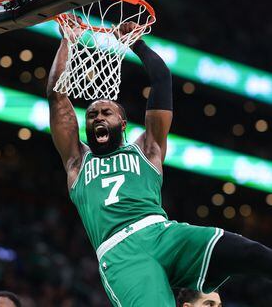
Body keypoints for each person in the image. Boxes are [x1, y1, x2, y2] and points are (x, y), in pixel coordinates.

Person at [46, 18, 272, 306]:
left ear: (123, 123)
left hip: (163, 233)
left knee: (249, 252)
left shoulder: (147, 149)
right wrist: (68, 40)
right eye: (92, 115)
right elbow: (56, 96)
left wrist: (136, 44)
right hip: (121, 254)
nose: (98, 117)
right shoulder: (78, 161)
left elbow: (162, 79)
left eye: (106, 112)